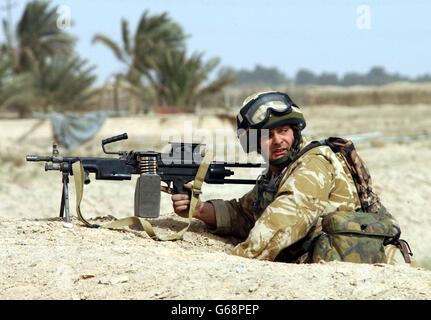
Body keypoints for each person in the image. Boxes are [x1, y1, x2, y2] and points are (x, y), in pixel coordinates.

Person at [171, 91, 412, 265]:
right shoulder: (278, 173)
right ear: (254, 142)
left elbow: (280, 226)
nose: (278, 141)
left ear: (294, 133)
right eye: (268, 135)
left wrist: (229, 264)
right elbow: (243, 214)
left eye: (284, 131)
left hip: (369, 269)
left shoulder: (313, 164)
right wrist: (200, 209)